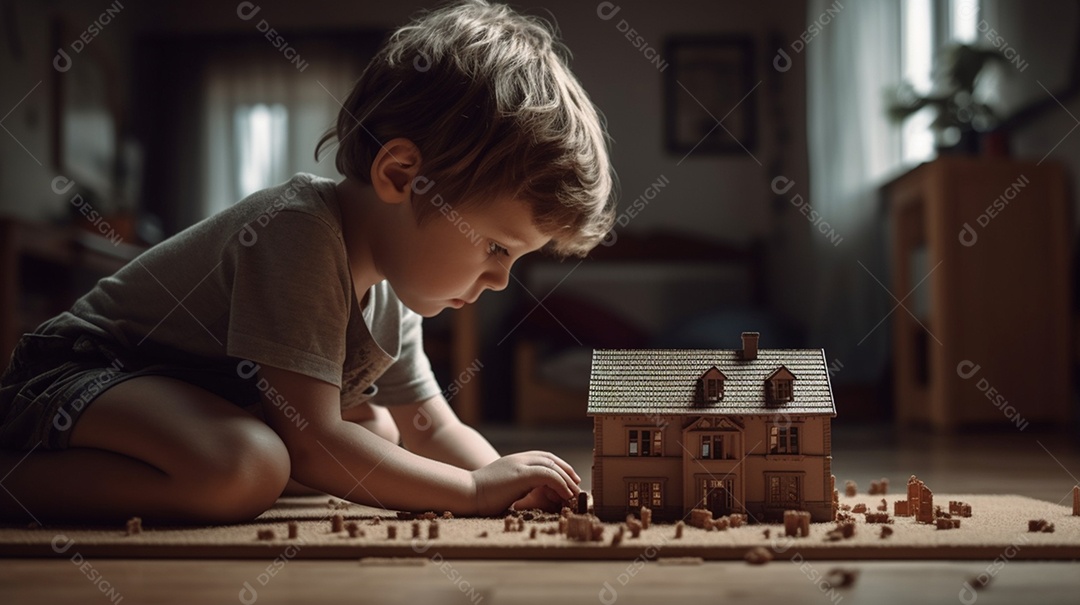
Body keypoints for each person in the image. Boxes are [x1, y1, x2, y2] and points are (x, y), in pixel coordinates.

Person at [0, 0, 615, 524]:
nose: (501, 278)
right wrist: (476, 492)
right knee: (252, 463)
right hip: (77, 377)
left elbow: (431, 429)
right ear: (402, 176)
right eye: (497, 247)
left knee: (383, 434)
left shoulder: (392, 290)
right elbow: (317, 445)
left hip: (180, 400)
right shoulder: (300, 232)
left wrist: (509, 482)